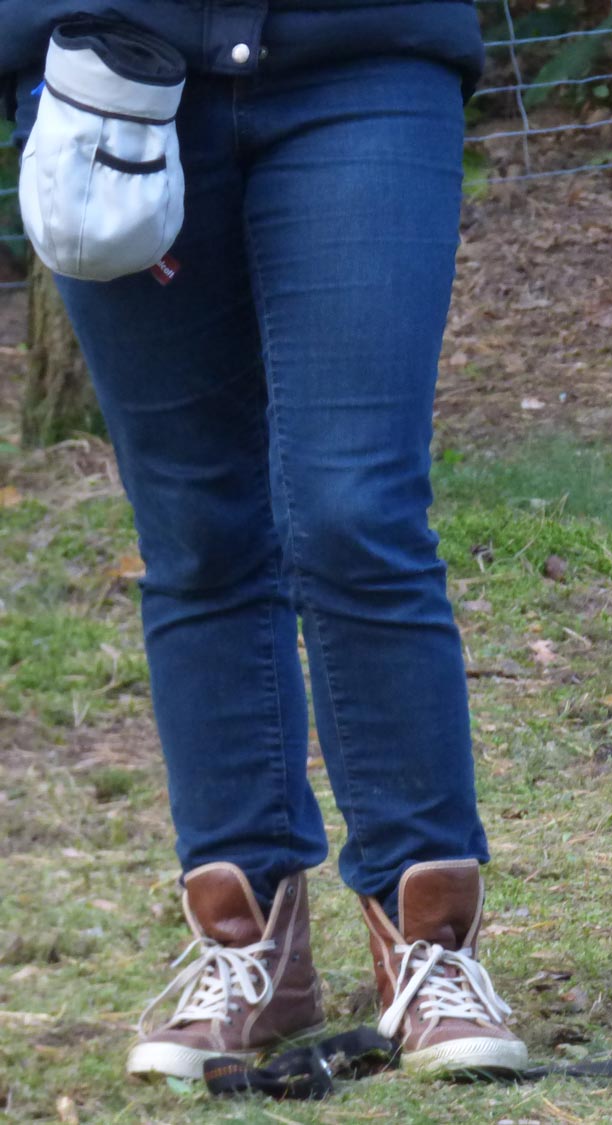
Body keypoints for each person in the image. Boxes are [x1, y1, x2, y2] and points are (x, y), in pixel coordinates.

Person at [0, 1, 526, 1081]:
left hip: (366, 55)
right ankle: (250, 951)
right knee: (194, 529)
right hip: (113, 72)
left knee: (356, 509)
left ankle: (430, 947)